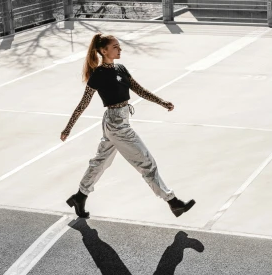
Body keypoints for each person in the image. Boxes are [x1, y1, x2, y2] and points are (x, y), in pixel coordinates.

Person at [61, 32, 194, 219]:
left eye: (119, 46)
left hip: (118, 121)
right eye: (115, 47)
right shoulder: (98, 74)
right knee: (146, 162)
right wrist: (68, 128)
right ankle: (173, 202)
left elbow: (139, 90)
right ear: (103, 50)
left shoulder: (121, 69)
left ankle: (80, 196)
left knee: (101, 161)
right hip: (116, 124)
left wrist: (162, 102)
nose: (119, 49)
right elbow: (83, 103)